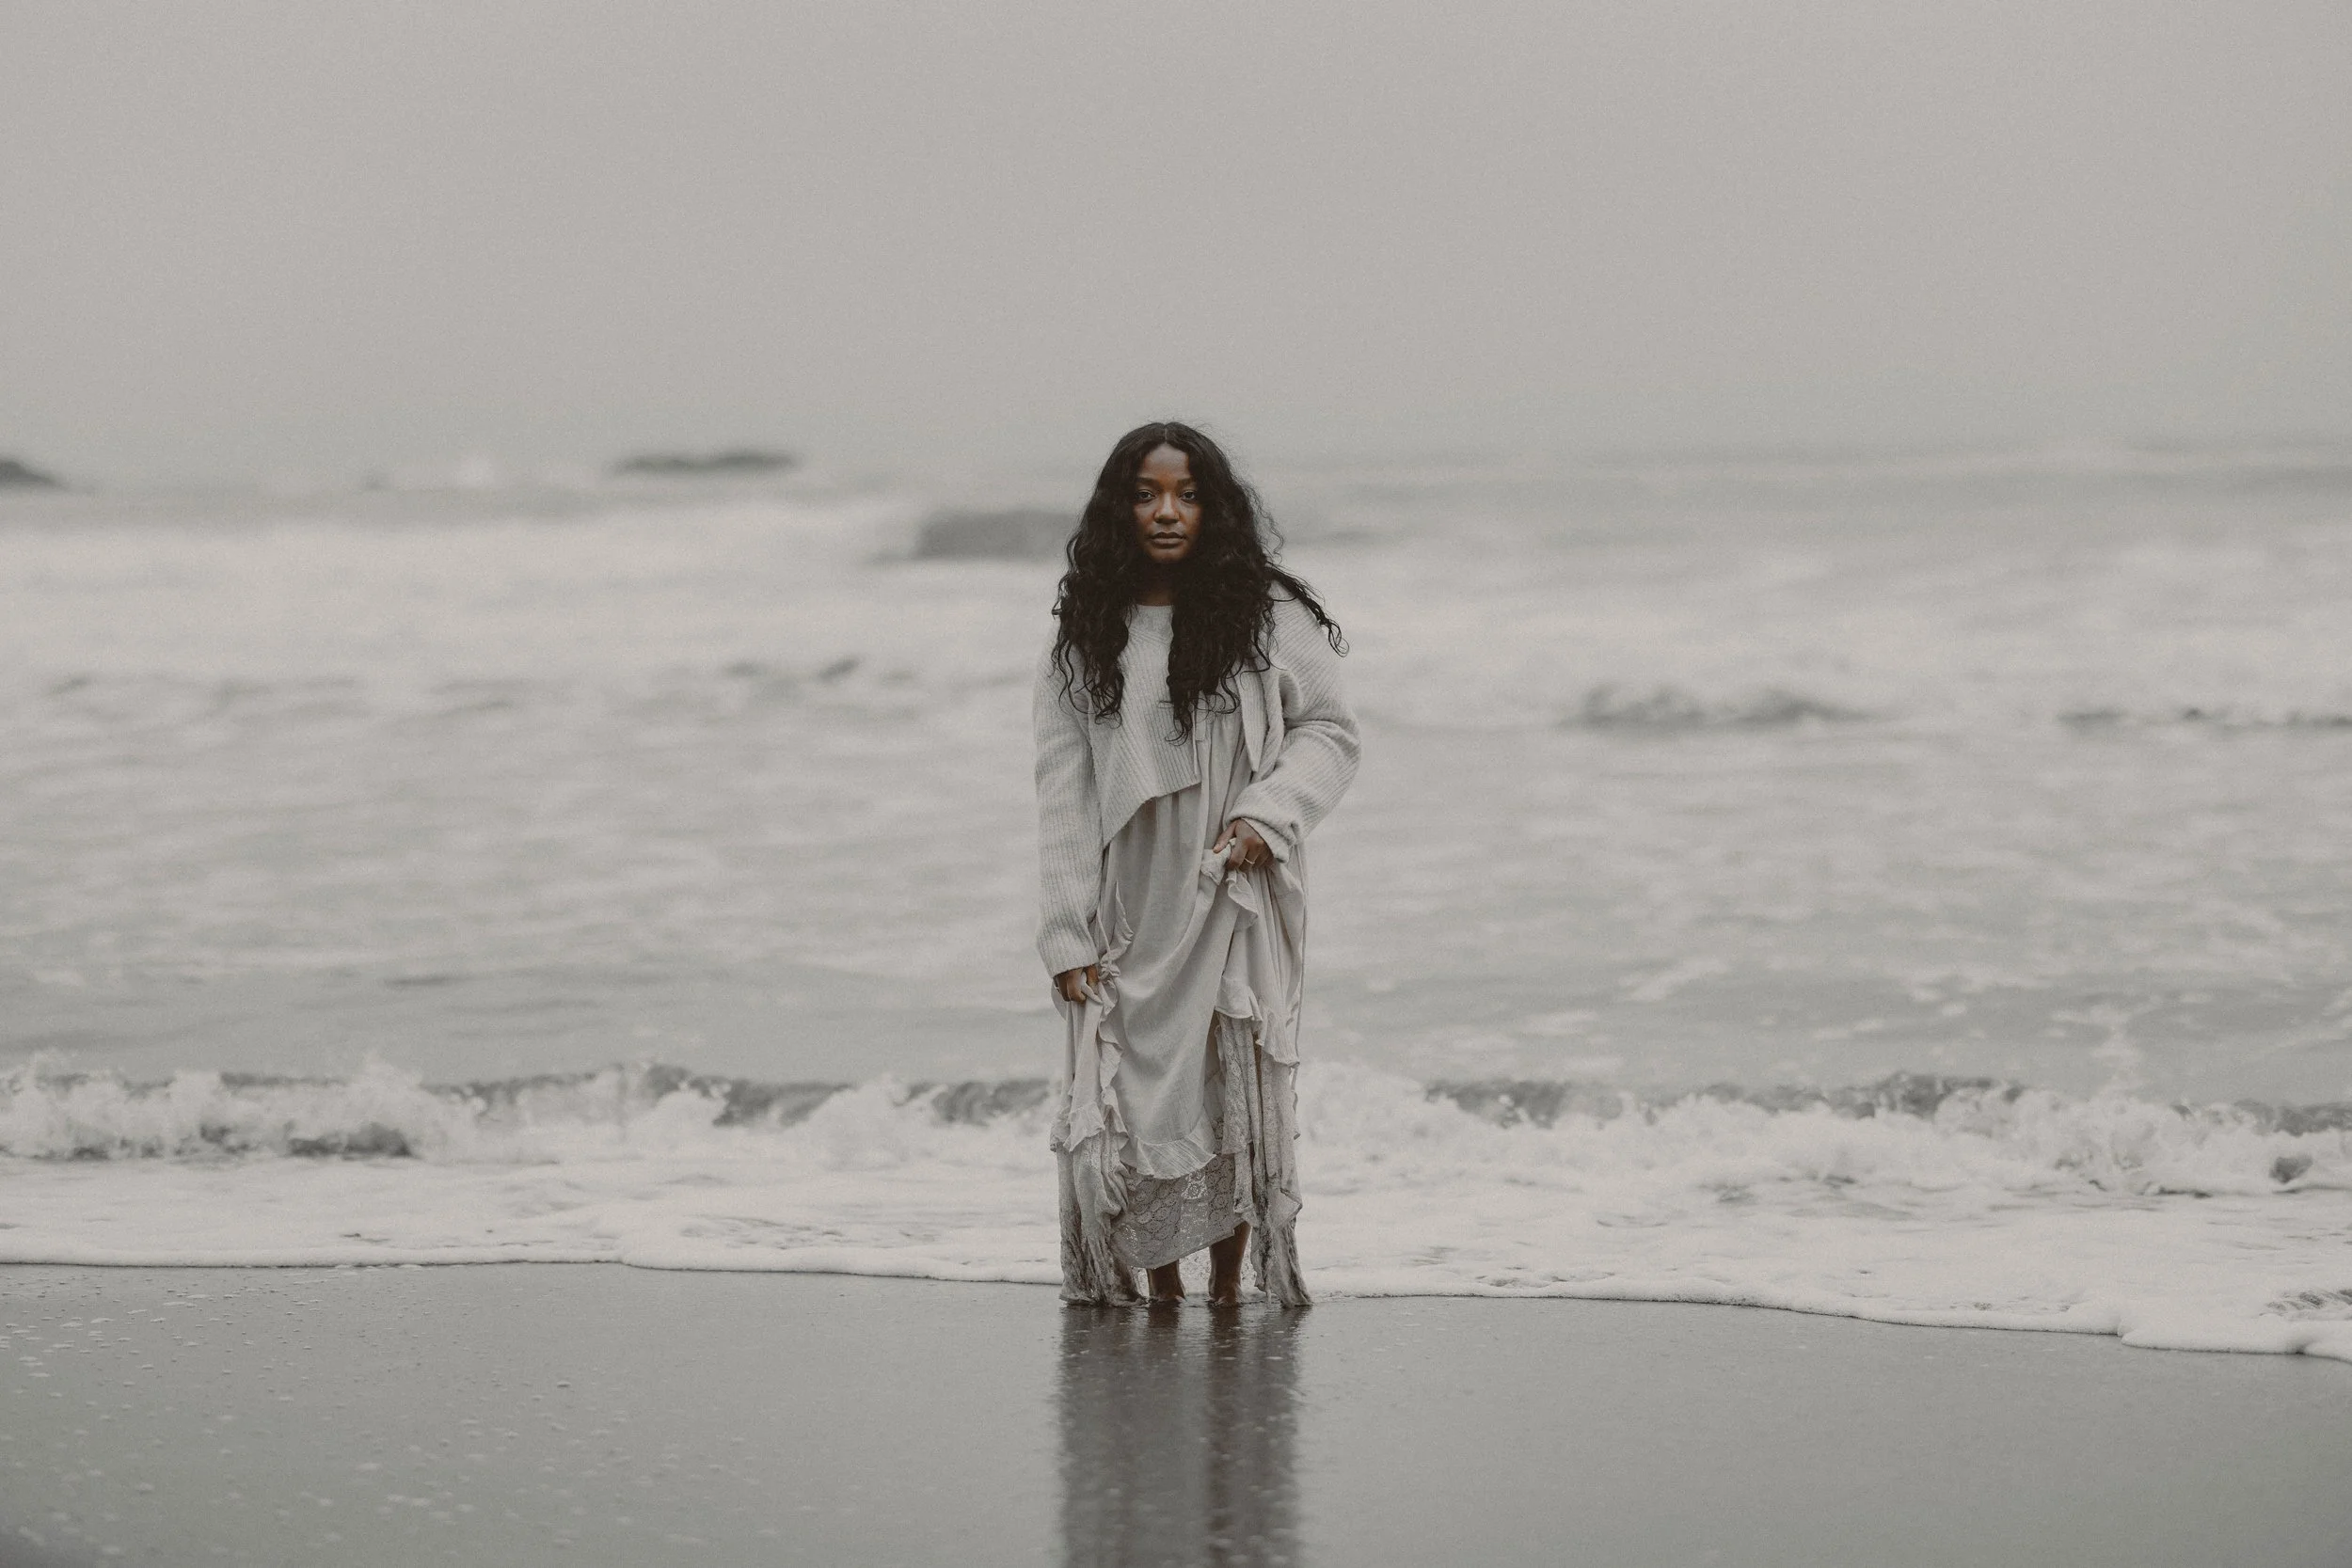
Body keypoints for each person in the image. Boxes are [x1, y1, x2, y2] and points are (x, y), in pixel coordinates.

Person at [1035, 422, 1358, 1307]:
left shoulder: (1269, 619)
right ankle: (1159, 1284)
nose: (1167, 512)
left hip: (1232, 882)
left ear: (1214, 507)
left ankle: (1225, 1288)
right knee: (1135, 1086)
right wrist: (1065, 929)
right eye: (1145, 494)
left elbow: (1329, 734)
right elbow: (1062, 792)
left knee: (1231, 1073)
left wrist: (1269, 815)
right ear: (1118, 508)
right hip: (1129, 902)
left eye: (1186, 494)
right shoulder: (1086, 638)